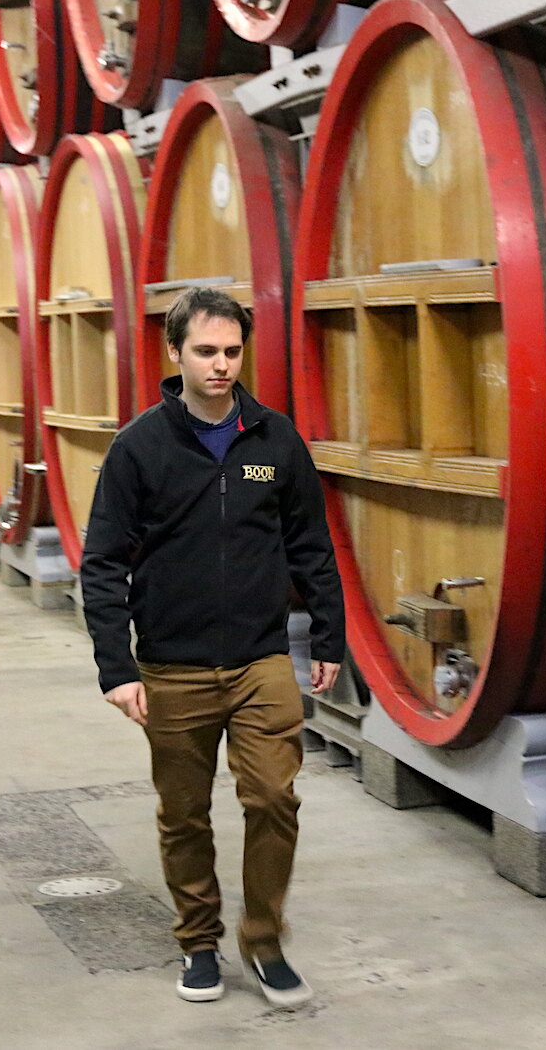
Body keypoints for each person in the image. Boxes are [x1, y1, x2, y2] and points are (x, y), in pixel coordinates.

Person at [81, 286, 345, 1007]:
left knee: (273, 796)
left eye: (232, 351)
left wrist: (328, 633)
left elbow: (311, 545)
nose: (222, 365)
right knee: (184, 811)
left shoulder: (275, 438)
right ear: (175, 353)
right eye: (206, 351)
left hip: (261, 658)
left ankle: (262, 939)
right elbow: (103, 561)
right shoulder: (140, 446)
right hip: (172, 663)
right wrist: (117, 665)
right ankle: (198, 941)